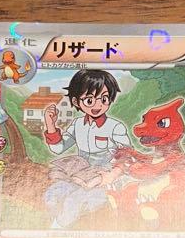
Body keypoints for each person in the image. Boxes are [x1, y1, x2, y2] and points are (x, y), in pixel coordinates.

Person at [42, 69, 130, 228]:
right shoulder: (77, 125)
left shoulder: (115, 127)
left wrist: (112, 174)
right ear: (76, 102)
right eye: (90, 100)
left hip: (104, 177)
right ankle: (57, 224)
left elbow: (127, 156)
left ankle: (58, 229)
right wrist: (50, 125)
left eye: (104, 99)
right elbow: (58, 148)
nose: (98, 105)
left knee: (73, 201)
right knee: (52, 194)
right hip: (79, 174)